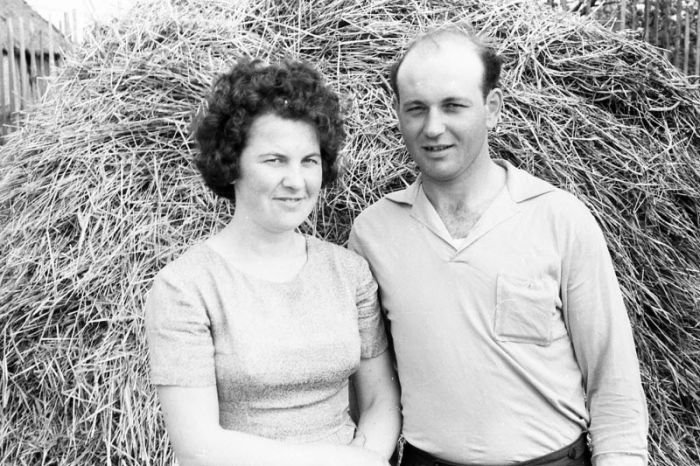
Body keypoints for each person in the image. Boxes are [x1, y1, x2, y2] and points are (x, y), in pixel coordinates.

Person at [349, 24, 648, 466]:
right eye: (416, 109)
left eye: (453, 106)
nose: (433, 127)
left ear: (492, 108)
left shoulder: (559, 218)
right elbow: (370, 386)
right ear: (397, 113)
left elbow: (613, 381)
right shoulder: (372, 233)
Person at [145, 58, 400, 466]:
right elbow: (197, 445)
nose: (296, 181)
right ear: (231, 163)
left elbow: (380, 401)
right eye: (274, 160)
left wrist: (368, 458)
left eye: (309, 160)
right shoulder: (185, 286)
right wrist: (342, 463)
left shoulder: (349, 272)